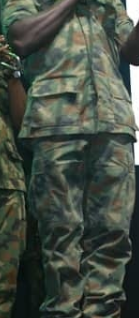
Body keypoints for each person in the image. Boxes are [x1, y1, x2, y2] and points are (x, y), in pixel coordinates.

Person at [0, 0, 139, 318]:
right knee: (61, 234)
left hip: (112, 122)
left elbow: (134, 52)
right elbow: (21, 38)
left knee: (113, 235)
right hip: (56, 121)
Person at [0, 37, 26, 318]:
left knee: (5, 283)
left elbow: (21, 121)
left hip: (7, 181)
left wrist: (13, 71)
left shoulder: (4, 61)